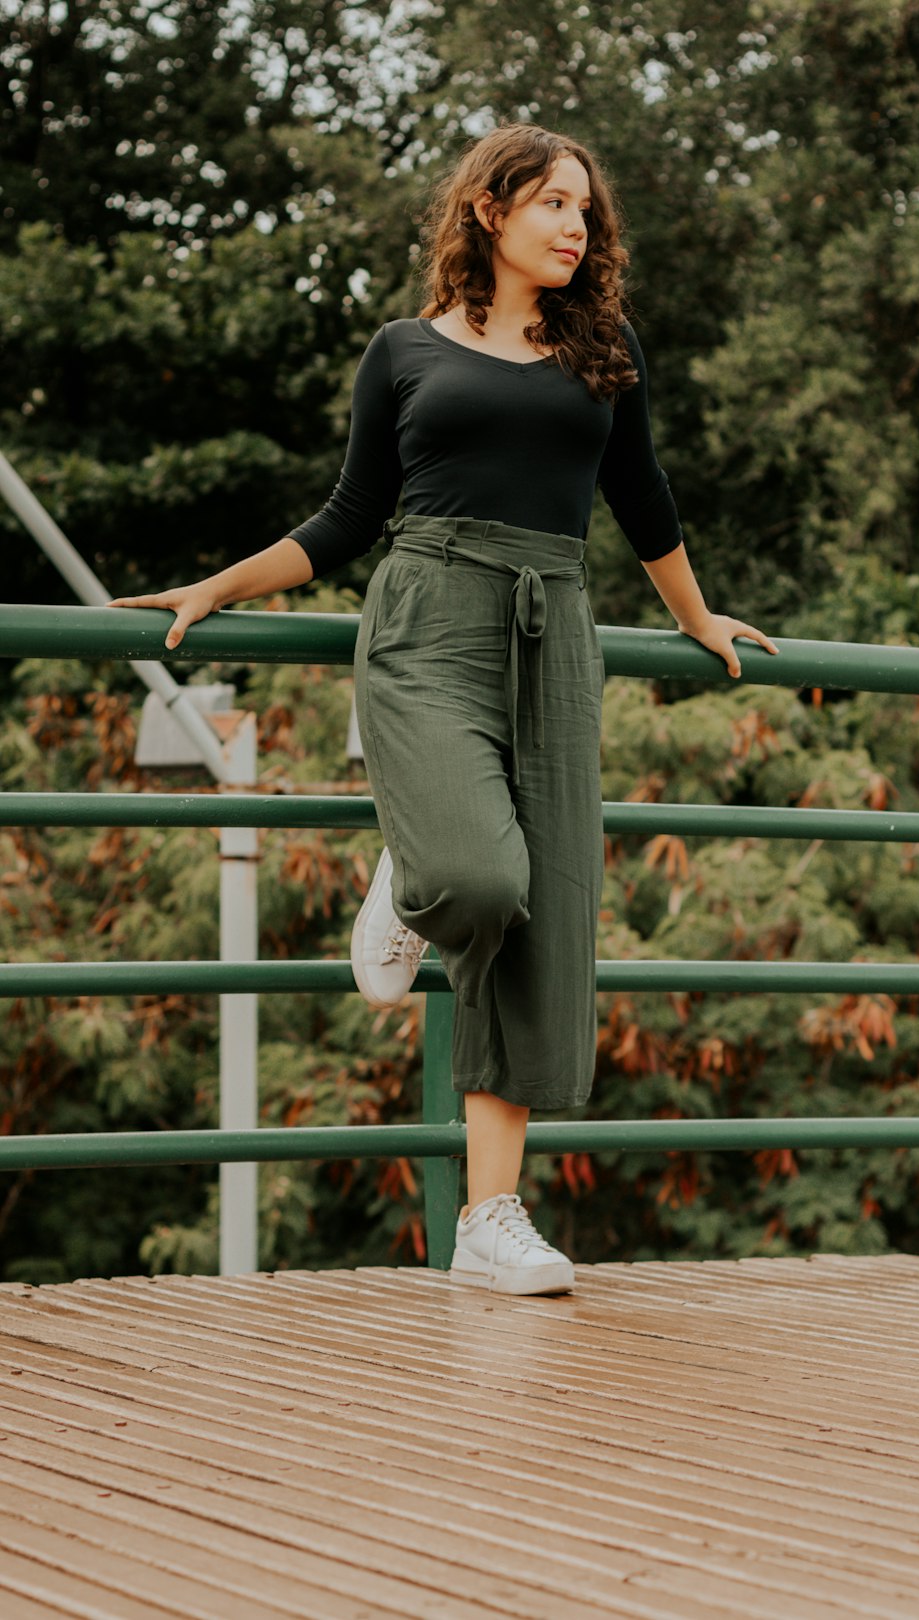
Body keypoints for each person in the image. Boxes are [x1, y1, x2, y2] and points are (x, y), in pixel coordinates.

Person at [108, 121, 778, 1297]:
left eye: (586, 211)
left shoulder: (603, 349)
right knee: (479, 882)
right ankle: (418, 867)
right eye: (554, 204)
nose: (576, 226)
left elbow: (644, 497)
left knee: (540, 913)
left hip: (553, 630)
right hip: (424, 622)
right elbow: (347, 515)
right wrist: (215, 585)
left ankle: (487, 1218)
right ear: (490, 211)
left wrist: (699, 620)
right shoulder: (405, 351)